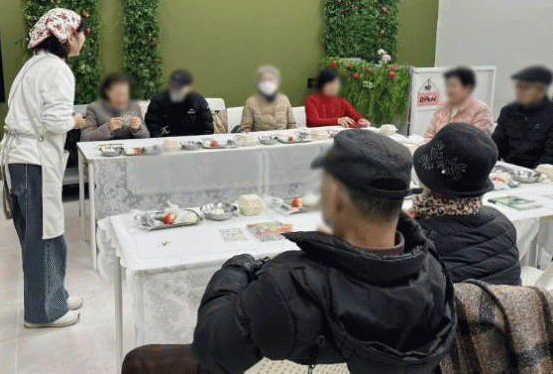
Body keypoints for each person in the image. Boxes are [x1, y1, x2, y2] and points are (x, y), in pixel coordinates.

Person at [192, 130, 456, 373]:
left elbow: (211, 348)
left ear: (336, 195)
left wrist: (235, 269)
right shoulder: (434, 272)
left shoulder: (288, 288)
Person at [0, 8, 86, 328]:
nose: (84, 39)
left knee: (40, 235)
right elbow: (54, 122)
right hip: (31, 160)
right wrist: (75, 120)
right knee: (44, 236)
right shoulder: (57, 70)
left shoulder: (34, 64)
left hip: (19, 159)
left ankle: (54, 296)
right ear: (68, 36)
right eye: (81, 32)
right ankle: (43, 312)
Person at [411, 123, 520, 285]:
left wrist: (404, 224)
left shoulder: (417, 236)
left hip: (451, 302)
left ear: (426, 184)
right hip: (508, 301)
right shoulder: (503, 223)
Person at [492, 66, 553, 169]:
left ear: (541, 90)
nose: (519, 91)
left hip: (539, 173)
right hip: (509, 169)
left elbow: (549, 157)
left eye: (525, 87)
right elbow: (496, 144)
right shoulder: (508, 111)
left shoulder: (550, 115)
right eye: (518, 86)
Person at [424, 67, 494, 140]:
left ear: (468, 87)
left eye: (453, 86)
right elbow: (429, 135)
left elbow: (478, 142)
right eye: (447, 85)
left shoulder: (481, 110)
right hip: (437, 147)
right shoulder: (442, 107)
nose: (449, 90)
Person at [145, 69, 214, 137]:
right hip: (165, 141)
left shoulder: (198, 101)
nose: (176, 89)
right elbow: (152, 127)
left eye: (180, 87)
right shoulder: (158, 101)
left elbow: (207, 129)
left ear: (189, 87)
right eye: (173, 86)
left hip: (193, 141)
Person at [81, 73, 148, 141]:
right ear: (107, 92)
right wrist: (108, 128)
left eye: (125, 94)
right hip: (104, 146)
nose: (122, 99)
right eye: (118, 94)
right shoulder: (94, 108)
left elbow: (146, 136)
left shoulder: (135, 107)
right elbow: (85, 138)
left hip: (130, 147)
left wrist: (138, 128)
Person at [305, 69, 370, 128]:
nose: (335, 87)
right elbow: (313, 121)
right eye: (332, 84)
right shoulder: (311, 99)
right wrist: (337, 121)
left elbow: (355, 116)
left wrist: (361, 120)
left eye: (337, 84)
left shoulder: (342, 101)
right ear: (323, 84)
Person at [240, 65, 297, 132]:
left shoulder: (284, 99)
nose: (267, 83)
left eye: (270, 80)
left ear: (276, 82)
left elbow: (292, 125)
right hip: (259, 137)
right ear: (258, 83)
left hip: (283, 137)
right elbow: (245, 129)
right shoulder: (251, 102)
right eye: (264, 80)